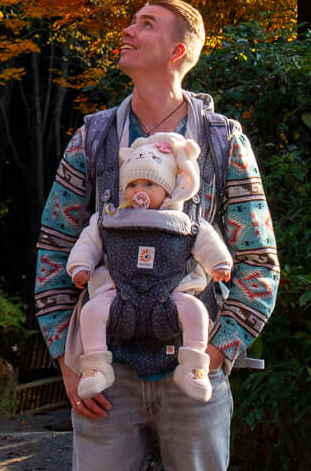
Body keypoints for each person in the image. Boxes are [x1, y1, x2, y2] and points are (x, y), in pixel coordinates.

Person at [35, 0, 279, 471]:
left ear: (177, 52)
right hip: (103, 375)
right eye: (130, 20)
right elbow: (53, 250)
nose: (127, 29)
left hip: (194, 373)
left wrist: (218, 352)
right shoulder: (92, 139)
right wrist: (68, 356)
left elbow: (258, 262)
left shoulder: (222, 143)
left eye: (145, 25)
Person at [66, 129, 234, 401]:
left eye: (148, 184)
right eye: (132, 185)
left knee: (196, 312)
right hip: (119, 291)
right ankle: (96, 367)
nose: (138, 191)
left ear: (168, 188)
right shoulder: (112, 218)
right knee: (92, 311)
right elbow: (89, 241)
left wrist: (219, 264)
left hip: (170, 293)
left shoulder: (183, 222)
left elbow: (207, 241)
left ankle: (193, 367)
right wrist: (81, 267)